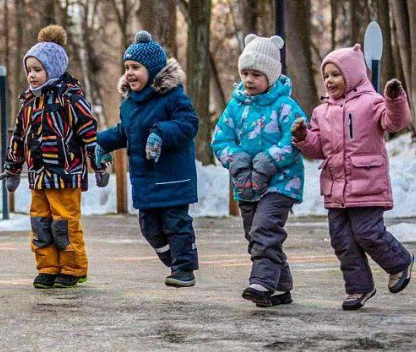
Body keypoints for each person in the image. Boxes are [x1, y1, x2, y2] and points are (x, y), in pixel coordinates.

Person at [293, 44, 413, 310]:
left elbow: (396, 122)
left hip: (367, 183)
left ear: (353, 75)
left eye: (336, 74)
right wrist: (303, 138)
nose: (330, 80)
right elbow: (318, 148)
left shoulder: (371, 103)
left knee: (367, 232)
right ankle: (359, 287)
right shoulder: (321, 112)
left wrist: (394, 100)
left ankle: (399, 262)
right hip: (336, 189)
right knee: (342, 241)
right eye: (326, 76)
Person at [0, 25, 108, 289]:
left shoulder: (70, 98)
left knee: (64, 223)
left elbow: (88, 132)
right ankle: (48, 267)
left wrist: (99, 164)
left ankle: (72, 268)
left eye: (38, 70)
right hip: (38, 177)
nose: (32, 76)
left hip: (66, 174)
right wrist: (13, 168)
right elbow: (18, 138)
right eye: (29, 70)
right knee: (40, 223)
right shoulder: (28, 102)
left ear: (54, 69)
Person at [95, 31, 200, 288]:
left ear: (152, 71)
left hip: (173, 177)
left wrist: (161, 133)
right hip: (145, 180)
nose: (130, 73)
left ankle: (184, 268)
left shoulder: (173, 97)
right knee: (149, 227)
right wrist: (100, 142)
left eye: (136, 68)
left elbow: (189, 123)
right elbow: (125, 132)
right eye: (127, 67)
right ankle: (170, 257)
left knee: (176, 224)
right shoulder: (129, 104)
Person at [212, 35, 305, 307]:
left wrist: (268, 161)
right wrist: (237, 161)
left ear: (272, 76)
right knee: (255, 235)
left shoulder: (285, 106)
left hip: (281, 183)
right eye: (245, 73)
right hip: (246, 182)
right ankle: (281, 286)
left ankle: (262, 283)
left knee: (265, 229)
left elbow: (296, 140)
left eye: (256, 74)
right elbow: (220, 139)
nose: (249, 80)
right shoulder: (236, 106)